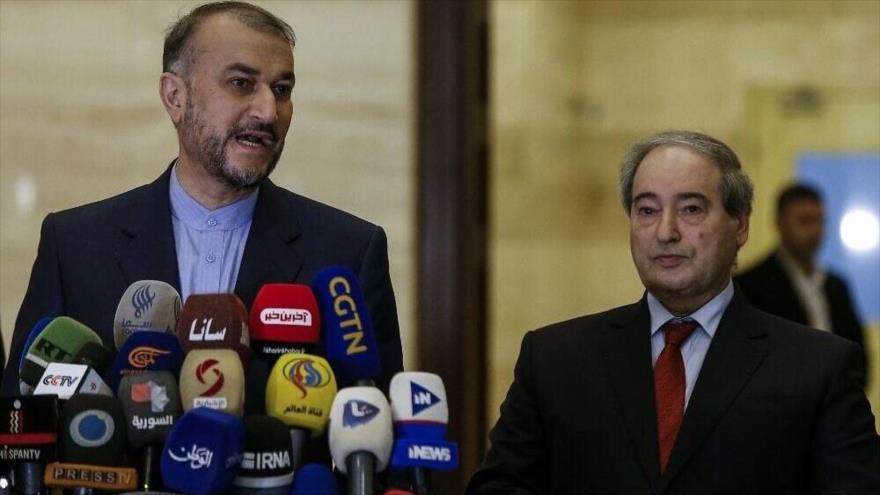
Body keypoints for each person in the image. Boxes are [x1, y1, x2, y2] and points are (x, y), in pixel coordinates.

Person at [0, 1, 403, 395]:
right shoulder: (74, 247)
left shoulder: (348, 252)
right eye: (241, 83)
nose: (268, 111)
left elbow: (375, 432)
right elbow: (20, 431)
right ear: (176, 97)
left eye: (282, 89)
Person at [467, 131, 880, 494]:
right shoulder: (555, 359)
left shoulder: (817, 367)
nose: (665, 232)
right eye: (647, 210)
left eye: (690, 209)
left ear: (739, 225)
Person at [735, 184, 867, 370]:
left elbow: (858, 354)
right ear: (780, 223)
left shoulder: (836, 285)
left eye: (820, 221)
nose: (815, 231)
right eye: (804, 221)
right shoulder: (751, 285)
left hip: (836, 395)